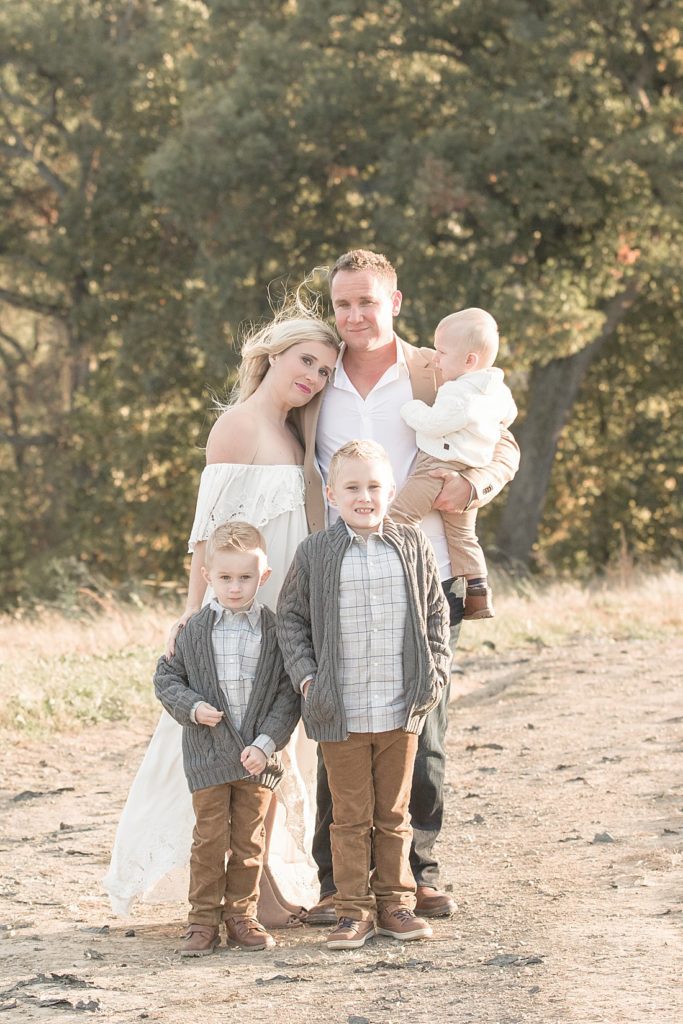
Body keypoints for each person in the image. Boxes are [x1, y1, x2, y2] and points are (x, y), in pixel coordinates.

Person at [293, 249, 520, 925]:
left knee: (423, 730)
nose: (355, 315)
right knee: (340, 727)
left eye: (367, 301)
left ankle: (417, 873)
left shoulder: (435, 368)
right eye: (342, 304)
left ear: (394, 302)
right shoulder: (315, 377)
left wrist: (470, 484)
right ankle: (340, 884)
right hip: (337, 583)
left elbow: (503, 446)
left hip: (427, 580)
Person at [103, 308, 340, 926]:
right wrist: (189, 618)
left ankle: (267, 891)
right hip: (234, 615)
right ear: (273, 355)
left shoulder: (293, 436)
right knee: (228, 747)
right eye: (306, 361)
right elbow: (205, 536)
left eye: (325, 370)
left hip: (277, 621)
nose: (314, 377)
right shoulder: (238, 427)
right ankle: (240, 897)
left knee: (266, 744)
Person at [277, 441, 451, 949]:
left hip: (401, 707)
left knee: (395, 814)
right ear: (331, 493)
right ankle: (353, 910)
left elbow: (436, 614)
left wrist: (435, 672)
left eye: (374, 486)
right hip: (342, 710)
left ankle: (395, 903)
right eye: (352, 487)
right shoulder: (316, 553)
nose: (364, 496)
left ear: (391, 490)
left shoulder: (412, 543)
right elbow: (291, 620)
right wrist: (309, 679)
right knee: (350, 816)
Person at [154, 522, 300, 955]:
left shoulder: (275, 632)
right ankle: (201, 920)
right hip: (208, 757)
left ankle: (241, 915)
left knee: (249, 841)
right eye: (225, 578)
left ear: (263, 577)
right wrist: (192, 707)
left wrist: (267, 742)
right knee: (209, 839)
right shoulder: (194, 631)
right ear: (208, 577)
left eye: (245, 578)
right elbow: (166, 679)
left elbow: (287, 695)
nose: (235, 588)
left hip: (257, 758)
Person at [392, 307, 517, 620]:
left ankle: (386, 563)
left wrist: (410, 410)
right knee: (463, 537)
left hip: (437, 466)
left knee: (399, 517)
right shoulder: (497, 389)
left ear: (469, 361)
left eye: (442, 352)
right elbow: (508, 416)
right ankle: (478, 592)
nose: (436, 358)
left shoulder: (458, 392)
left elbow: (435, 423)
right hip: (466, 466)